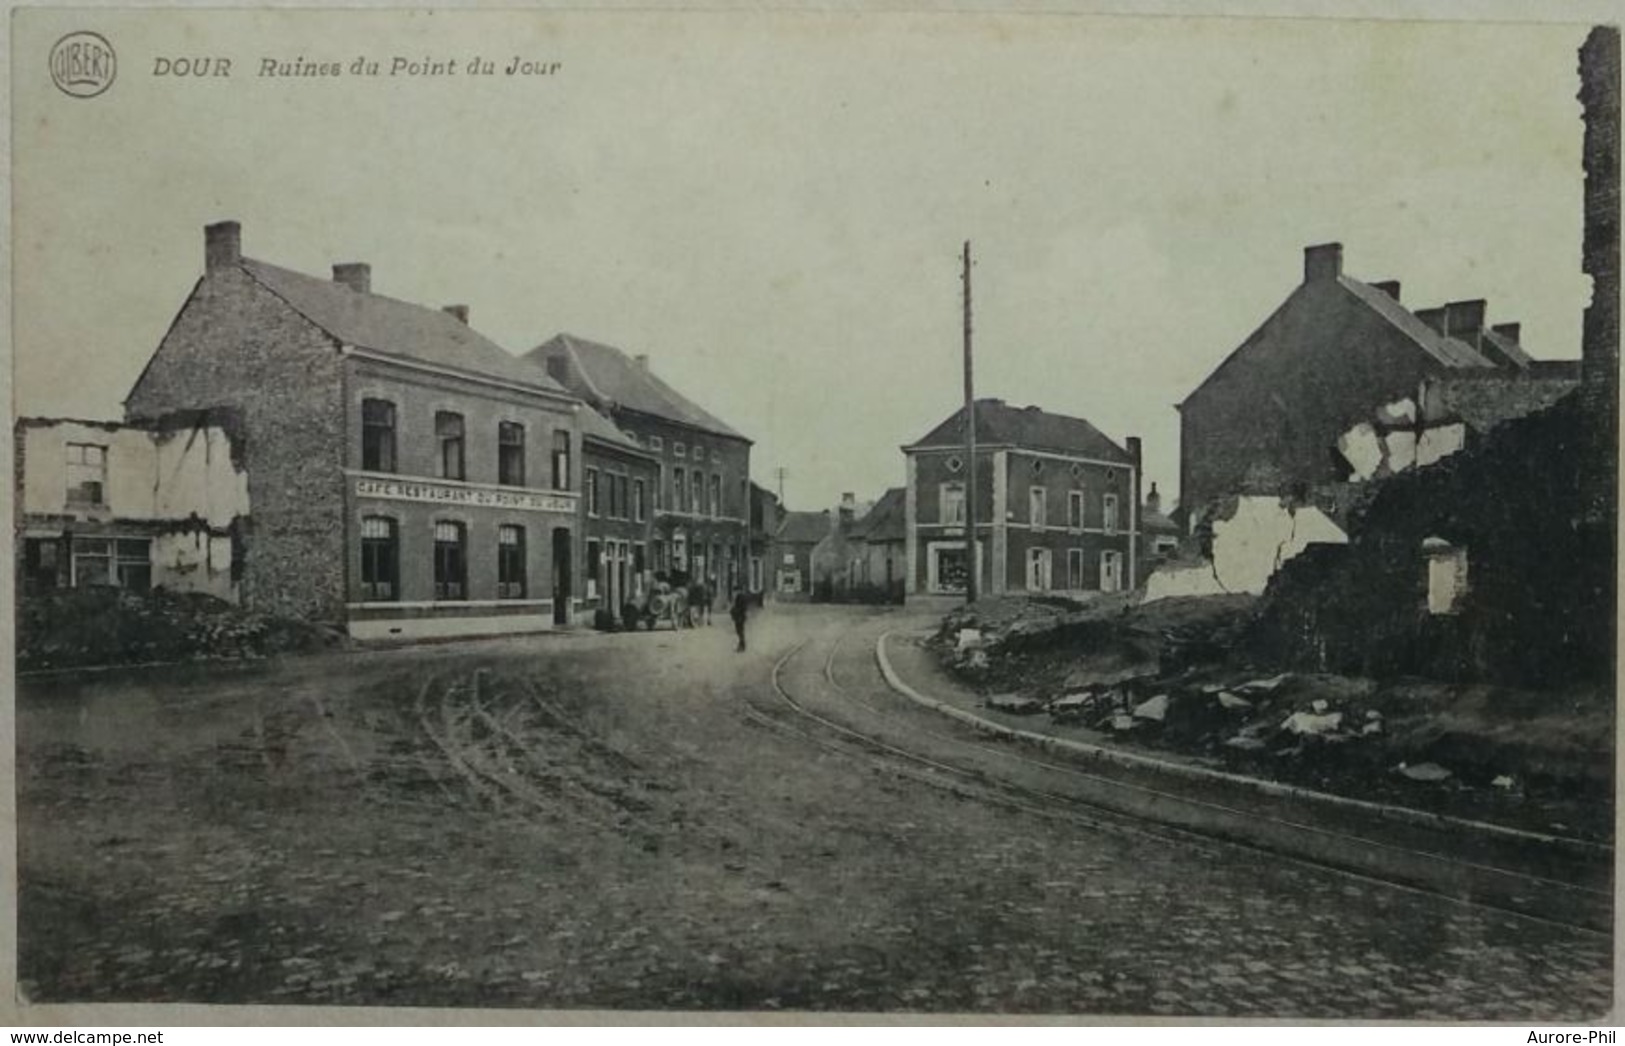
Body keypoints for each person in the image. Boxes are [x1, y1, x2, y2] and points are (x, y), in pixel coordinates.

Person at [730, 588, 750, 652]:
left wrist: (734, 611)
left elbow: (740, 607)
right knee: (740, 631)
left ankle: (742, 645)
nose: (734, 593)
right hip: (741, 616)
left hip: (739, 617)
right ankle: (742, 645)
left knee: (739, 631)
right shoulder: (742, 596)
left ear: (737, 591)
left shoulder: (739, 597)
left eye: (735, 591)